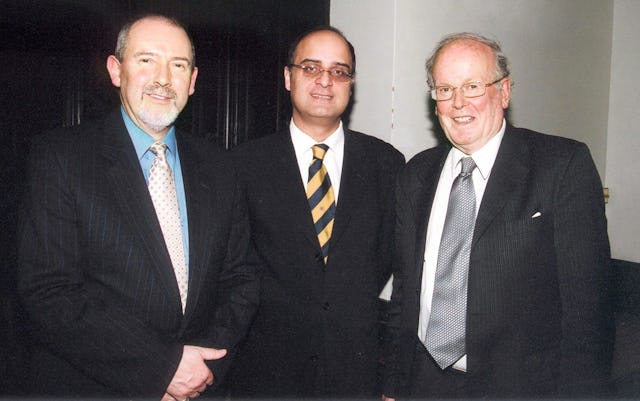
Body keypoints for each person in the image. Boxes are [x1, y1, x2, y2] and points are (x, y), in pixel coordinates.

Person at [17, 14, 258, 399]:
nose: (163, 78)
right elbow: (50, 291)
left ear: (192, 81)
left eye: (178, 65)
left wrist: (200, 369)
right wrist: (163, 368)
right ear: (116, 70)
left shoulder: (221, 167)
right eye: (146, 60)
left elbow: (241, 279)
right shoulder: (62, 157)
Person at [382, 32, 613, 399]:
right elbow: (406, 292)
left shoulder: (561, 165)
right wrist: (394, 384)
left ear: (503, 92)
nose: (458, 103)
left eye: (473, 86)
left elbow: (588, 310)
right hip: (425, 383)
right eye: (444, 89)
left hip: (521, 388)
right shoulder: (416, 174)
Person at [228, 26, 405, 398]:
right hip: (265, 374)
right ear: (288, 77)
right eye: (310, 68)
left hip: (357, 373)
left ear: (351, 84)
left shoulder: (386, 164)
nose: (325, 80)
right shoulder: (243, 166)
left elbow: (394, 262)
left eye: (339, 71)